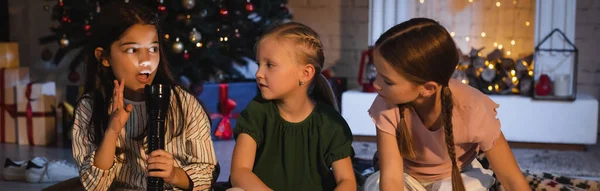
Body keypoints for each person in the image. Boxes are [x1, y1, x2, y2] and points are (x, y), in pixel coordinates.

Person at [367, 18, 529, 191]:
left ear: (428, 88)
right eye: (377, 73)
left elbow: (512, 179)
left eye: (387, 81)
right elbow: (391, 177)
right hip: (405, 175)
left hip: (457, 175)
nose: (376, 84)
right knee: (376, 186)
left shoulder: (473, 109)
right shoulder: (387, 101)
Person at [71, 2, 217, 190]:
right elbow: (94, 185)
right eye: (132, 50)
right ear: (104, 57)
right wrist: (112, 131)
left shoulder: (183, 103)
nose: (146, 61)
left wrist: (173, 174)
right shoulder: (90, 107)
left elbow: (207, 172)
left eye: (153, 49)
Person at [228, 22, 356, 191]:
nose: (258, 73)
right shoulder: (257, 111)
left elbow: (347, 181)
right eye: (259, 64)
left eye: (270, 65)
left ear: (305, 73)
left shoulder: (330, 123)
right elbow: (240, 173)